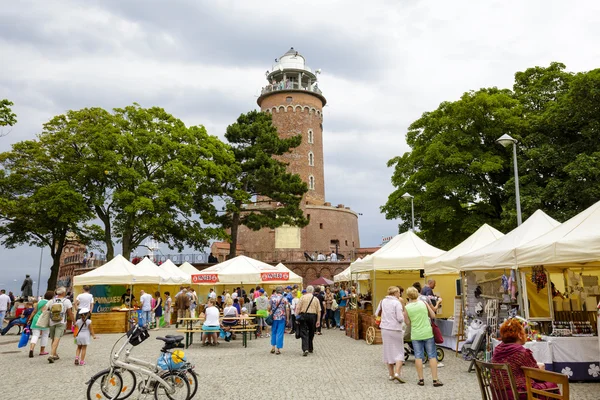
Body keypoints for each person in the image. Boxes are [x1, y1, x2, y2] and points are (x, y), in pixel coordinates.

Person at [492, 319, 558, 398]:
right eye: (524, 333)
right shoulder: (520, 352)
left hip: (499, 394)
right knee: (553, 385)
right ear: (519, 335)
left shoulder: (497, 350)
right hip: (518, 394)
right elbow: (537, 375)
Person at [404, 286, 442, 387]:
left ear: (408, 296)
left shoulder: (407, 307)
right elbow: (433, 315)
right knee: (432, 355)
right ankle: (435, 380)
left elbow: (407, 323)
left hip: (416, 334)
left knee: (418, 356)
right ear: (417, 293)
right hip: (427, 332)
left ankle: (421, 379)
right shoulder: (424, 303)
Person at [377, 286, 407, 383]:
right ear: (395, 293)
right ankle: (397, 373)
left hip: (384, 329)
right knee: (399, 351)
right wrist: (403, 314)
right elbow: (400, 318)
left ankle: (391, 374)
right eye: (398, 293)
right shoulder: (396, 303)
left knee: (388, 351)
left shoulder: (382, 301)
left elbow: (376, 313)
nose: (399, 294)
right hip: (395, 329)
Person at [46, 287, 74, 363]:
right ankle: (51, 355)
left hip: (52, 321)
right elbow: (70, 313)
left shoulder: (52, 301)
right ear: (64, 293)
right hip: (61, 322)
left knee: (53, 339)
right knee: (57, 338)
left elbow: (45, 309)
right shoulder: (66, 301)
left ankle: (54, 354)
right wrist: (73, 321)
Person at [296, 285, 321, 356]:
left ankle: (305, 348)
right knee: (311, 331)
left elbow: (298, 308)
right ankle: (310, 347)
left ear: (306, 291)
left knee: (303, 332)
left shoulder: (302, 297)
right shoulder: (316, 299)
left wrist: (297, 317)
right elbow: (319, 311)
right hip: (313, 316)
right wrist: (318, 320)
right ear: (312, 291)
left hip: (304, 315)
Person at [28, 291, 54, 357]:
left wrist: (30, 319)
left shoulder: (40, 301)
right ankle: (42, 351)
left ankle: (31, 349)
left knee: (35, 335)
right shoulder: (51, 302)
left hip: (36, 319)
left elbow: (34, 311)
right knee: (45, 335)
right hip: (45, 320)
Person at [268, 286, 289, 355]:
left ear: (276, 291)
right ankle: (278, 349)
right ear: (282, 291)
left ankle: (273, 347)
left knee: (273, 332)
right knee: (280, 333)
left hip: (274, 317)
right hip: (281, 317)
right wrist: (287, 318)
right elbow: (287, 309)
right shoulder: (284, 298)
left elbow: (268, 307)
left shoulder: (272, 297)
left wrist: (270, 311)